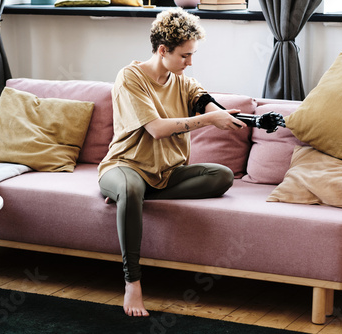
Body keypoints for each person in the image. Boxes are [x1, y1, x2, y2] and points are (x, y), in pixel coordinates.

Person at [98, 8, 284, 317]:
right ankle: (133, 282)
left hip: (166, 174)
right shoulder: (131, 78)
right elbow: (156, 129)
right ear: (162, 50)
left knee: (222, 176)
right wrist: (210, 120)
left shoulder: (184, 82)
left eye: (192, 55)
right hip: (125, 165)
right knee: (131, 189)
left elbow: (213, 107)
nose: (190, 62)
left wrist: (257, 120)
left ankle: (129, 196)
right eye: (185, 55)